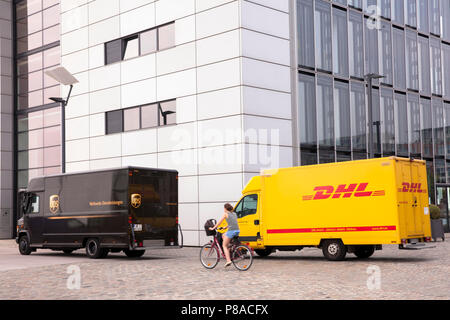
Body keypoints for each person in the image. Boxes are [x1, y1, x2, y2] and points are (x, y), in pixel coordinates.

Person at [209, 203, 240, 267]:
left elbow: (219, 222)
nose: (223, 209)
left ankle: (228, 261)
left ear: (225, 208)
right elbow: (233, 222)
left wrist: (213, 228)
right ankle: (229, 247)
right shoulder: (234, 214)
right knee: (223, 235)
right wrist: (225, 227)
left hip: (231, 231)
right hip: (237, 230)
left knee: (224, 245)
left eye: (224, 208)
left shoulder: (226, 214)